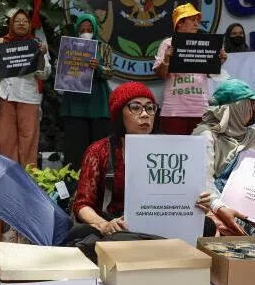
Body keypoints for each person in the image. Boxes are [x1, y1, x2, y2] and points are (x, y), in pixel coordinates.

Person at [70, 81, 211, 238]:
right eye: (135, 107)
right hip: (118, 226)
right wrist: (104, 225)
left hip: (161, 222)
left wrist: (197, 204)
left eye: (150, 108)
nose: (145, 114)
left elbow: (180, 194)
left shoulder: (171, 149)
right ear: (119, 114)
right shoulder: (99, 151)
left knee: (207, 226)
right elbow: (82, 204)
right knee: (81, 233)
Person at [0, 9, 51, 167]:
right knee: (6, 141)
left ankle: (29, 181)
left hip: (29, 97)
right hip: (5, 96)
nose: (21, 23)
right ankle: (11, 182)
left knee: (29, 140)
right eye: (17, 20)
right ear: (11, 24)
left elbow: (44, 75)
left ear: (30, 25)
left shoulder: (36, 44)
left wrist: (41, 55)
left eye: (25, 21)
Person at [153, 2, 228, 135]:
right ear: (180, 23)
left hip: (201, 110)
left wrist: (220, 61)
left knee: (201, 153)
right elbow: (160, 75)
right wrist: (166, 59)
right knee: (177, 153)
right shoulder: (167, 43)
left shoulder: (205, 43)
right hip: (173, 111)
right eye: (192, 20)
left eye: (197, 20)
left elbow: (209, 74)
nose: (196, 24)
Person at [193, 79, 255, 235]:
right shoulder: (204, 135)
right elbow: (201, 181)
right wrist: (219, 207)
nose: (254, 110)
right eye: (251, 104)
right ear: (237, 107)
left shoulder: (252, 136)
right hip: (215, 210)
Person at [60, 12, 113, 169]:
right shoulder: (70, 48)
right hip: (74, 103)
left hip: (97, 103)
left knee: (98, 147)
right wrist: (61, 68)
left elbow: (110, 72)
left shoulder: (104, 47)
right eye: (82, 30)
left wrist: (99, 67)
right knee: (75, 148)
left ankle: (98, 183)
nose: (85, 33)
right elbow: (64, 74)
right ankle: (73, 183)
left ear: (95, 29)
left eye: (89, 29)